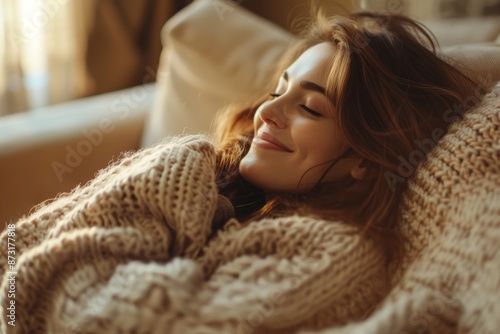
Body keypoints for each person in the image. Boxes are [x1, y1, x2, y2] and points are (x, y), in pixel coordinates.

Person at [213, 10, 483, 264]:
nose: (267, 111)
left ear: (363, 161)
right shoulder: (207, 168)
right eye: (277, 92)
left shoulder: (330, 256)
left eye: (309, 108)